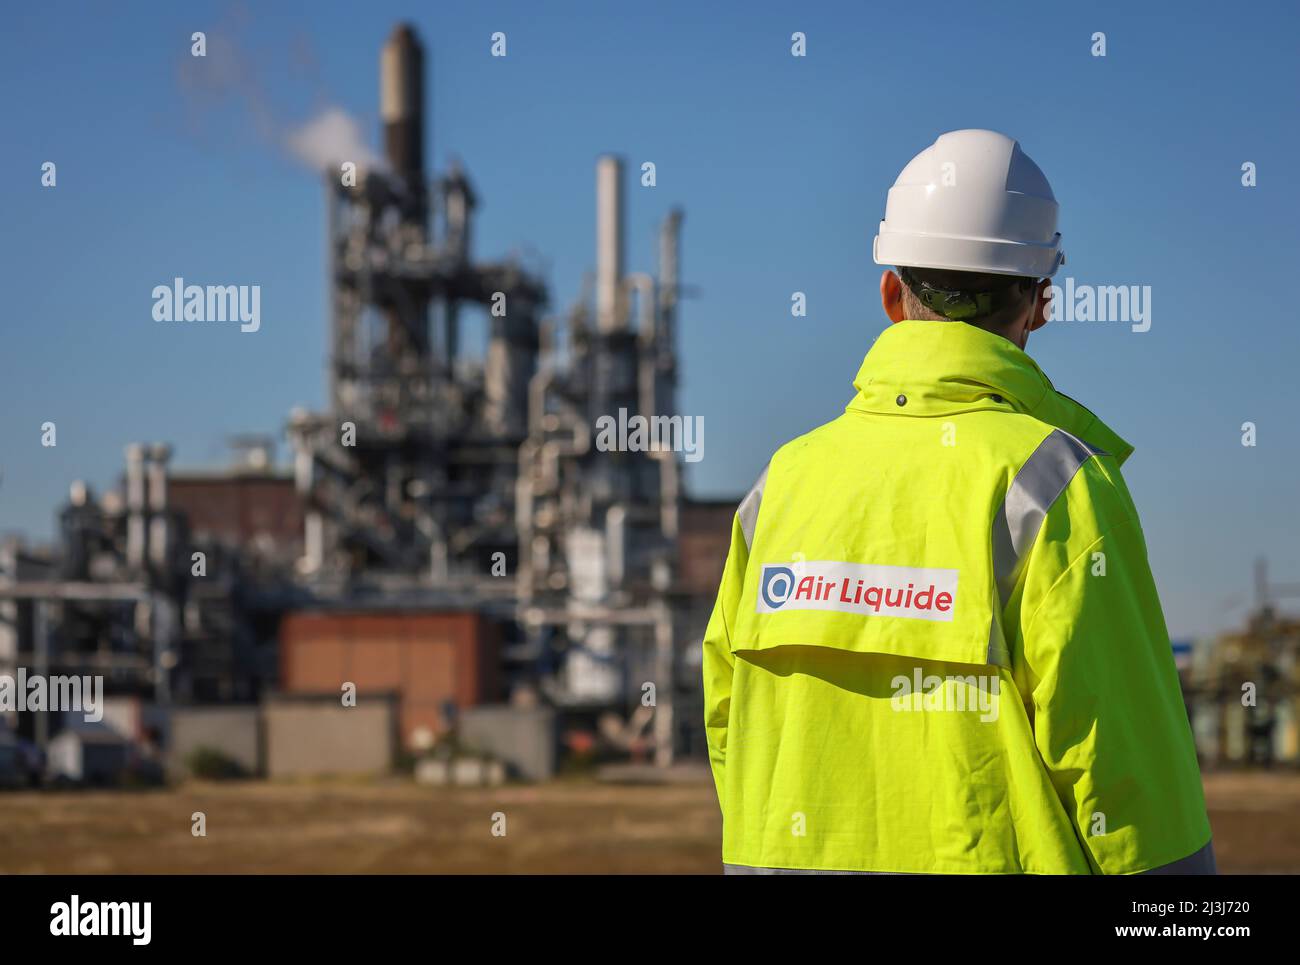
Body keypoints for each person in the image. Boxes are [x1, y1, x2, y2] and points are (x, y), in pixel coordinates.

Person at [702, 129, 1214, 874]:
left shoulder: (779, 486)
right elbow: (1129, 780)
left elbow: (729, 719)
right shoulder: (1054, 486)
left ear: (890, 294)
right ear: (1040, 303)